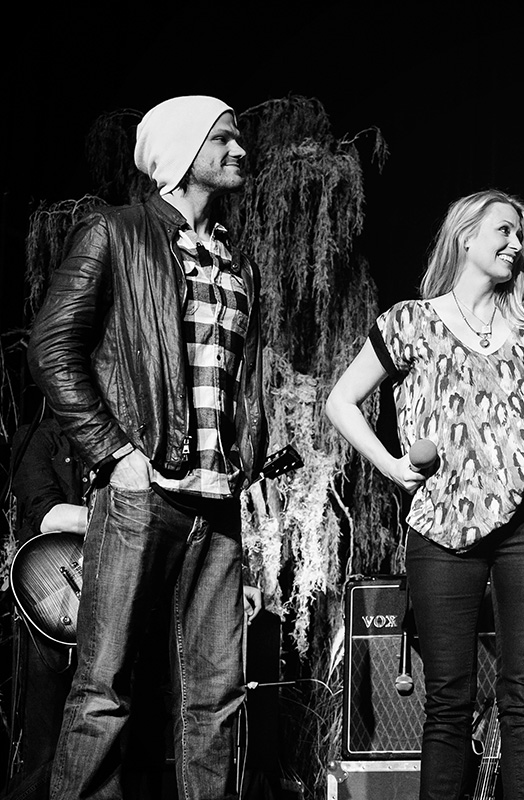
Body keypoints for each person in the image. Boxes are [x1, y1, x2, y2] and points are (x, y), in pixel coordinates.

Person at [324, 189, 524, 800]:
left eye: (520, 236)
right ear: (465, 236)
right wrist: (391, 466)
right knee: (448, 702)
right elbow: (341, 401)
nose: (516, 244)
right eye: (504, 230)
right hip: (441, 525)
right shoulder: (410, 321)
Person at [26, 95, 267, 800]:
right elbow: (52, 347)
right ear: (183, 152)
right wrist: (115, 454)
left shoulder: (238, 262)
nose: (239, 150)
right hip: (142, 494)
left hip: (219, 504)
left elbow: (238, 380)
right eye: (223, 138)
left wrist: (246, 460)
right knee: (104, 690)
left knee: (216, 698)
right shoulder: (117, 232)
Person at [4, 415, 88, 800]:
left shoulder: (124, 444)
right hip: (50, 597)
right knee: (45, 740)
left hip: (107, 598)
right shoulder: (38, 437)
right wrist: (118, 516)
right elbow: (48, 516)